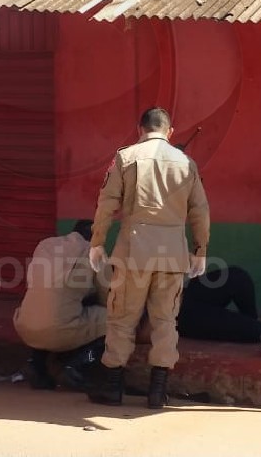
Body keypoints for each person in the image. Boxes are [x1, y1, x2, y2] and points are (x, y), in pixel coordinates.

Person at [86, 107, 211, 409]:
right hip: (173, 255)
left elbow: (107, 203)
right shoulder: (186, 163)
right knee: (165, 320)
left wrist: (97, 242)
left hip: (133, 252)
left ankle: (113, 388)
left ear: (139, 128)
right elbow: (200, 211)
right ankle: (158, 391)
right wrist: (201, 250)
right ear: (170, 131)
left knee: (121, 320)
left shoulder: (125, 157)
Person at [13, 220, 110, 389]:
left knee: (49, 310)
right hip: (59, 330)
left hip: (24, 325)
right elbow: (107, 299)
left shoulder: (45, 245)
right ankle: (76, 366)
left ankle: (35, 364)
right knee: (117, 321)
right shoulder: (92, 251)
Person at [177, 265, 261, 344]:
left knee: (238, 277)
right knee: (257, 330)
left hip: (181, 292)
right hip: (174, 315)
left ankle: (252, 325)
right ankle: (257, 330)